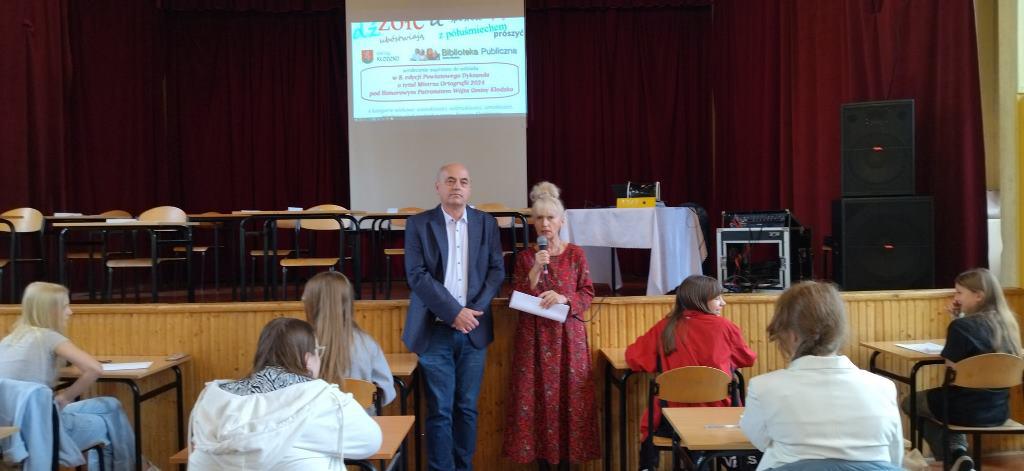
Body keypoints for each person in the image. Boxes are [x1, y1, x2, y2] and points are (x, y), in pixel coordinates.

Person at [402, 162, 505, 470]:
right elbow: (417, 275)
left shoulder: (486, 224)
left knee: (467, 409)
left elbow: (496, 271)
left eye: (463, 181)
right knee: (440, 411)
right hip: (434, 331)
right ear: (438, 187)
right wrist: (453, 312)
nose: (457, 186)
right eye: (450, 181)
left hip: (473, 330)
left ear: (470, 188)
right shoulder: (419, 224)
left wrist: (471, 313)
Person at [739, 281, 903, 471]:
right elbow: (894, 458)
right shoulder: (883, 386)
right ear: (838, 330)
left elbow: (760, 441)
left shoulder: (763, 387)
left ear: (792, 335)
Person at [188, 317, 382, 470]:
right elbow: (370, 442)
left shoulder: (211, 398)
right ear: (308, 359)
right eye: (318, 351)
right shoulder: (322, 398)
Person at [502, 181, 599, 467]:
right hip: (533, 340)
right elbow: (516, 295)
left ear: (561, 221)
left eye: (551, 218)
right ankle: (542, 463)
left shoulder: (575, 254)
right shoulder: (525, 257)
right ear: (533, 221)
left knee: (572, 400)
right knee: (535, 402)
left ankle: (569, 462)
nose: (545, 224)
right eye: (539, 218)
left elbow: (587, 293)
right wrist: (535, 268)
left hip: (568, 339)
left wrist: (565, 297)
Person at [0, 281, 135, 470]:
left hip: (13, 430)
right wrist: (65, 397)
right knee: (110, 424)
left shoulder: (9, 340)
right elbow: (94, 369)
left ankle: (140, 465)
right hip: (43, 428)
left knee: (110, 405)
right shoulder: (48, 336)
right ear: (51, 311)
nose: (70, 312)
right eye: (65, 306)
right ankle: (136, 466)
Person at [626, 274, 756, 470]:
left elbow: (635, 359)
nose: (724, 302)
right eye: (717, 298)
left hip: (671, 420)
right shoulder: (726, 328)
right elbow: (748, 359)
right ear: (700, 300)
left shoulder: (665, 327)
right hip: (719, 418)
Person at [903, 268, 1022, 471]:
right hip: (998, 410)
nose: (955, 298)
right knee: (952, 399)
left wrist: (957, 321)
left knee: (910, 401)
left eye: (959, 292)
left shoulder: (961, 327)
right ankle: (958, 455)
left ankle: (953, 457)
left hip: (963, 409)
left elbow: (951, 372)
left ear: (978, 296)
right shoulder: (1008, 325)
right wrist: (959, 318)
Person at [303, 270, 396, 411]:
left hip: (315, 423)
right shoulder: (367, 344)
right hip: (360, 422)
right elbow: (387, 392)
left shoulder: (300, 344)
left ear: (312, 304)